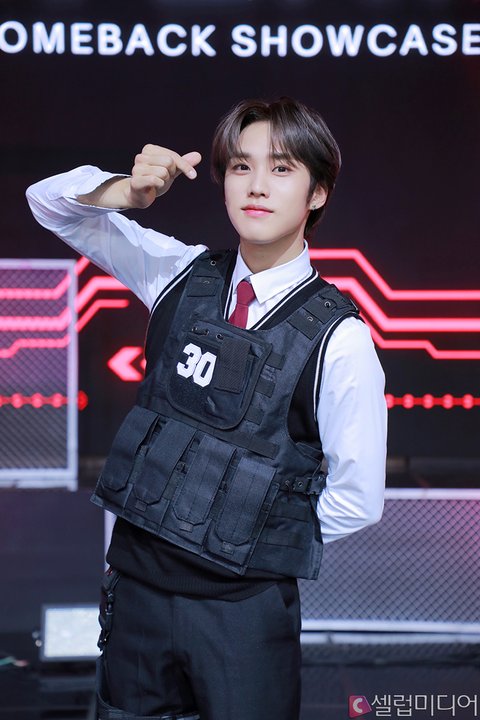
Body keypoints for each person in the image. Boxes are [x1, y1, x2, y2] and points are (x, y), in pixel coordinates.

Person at [26, 97, 387, 720]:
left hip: (242, 617)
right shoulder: (178, 273)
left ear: (318, 192)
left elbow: (358, 498)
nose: (256, 186)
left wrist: (246, 539)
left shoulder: (341, 338)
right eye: (242, 166)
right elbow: (47, 203)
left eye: (281, 169)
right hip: (136, 595)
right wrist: (126, 192)